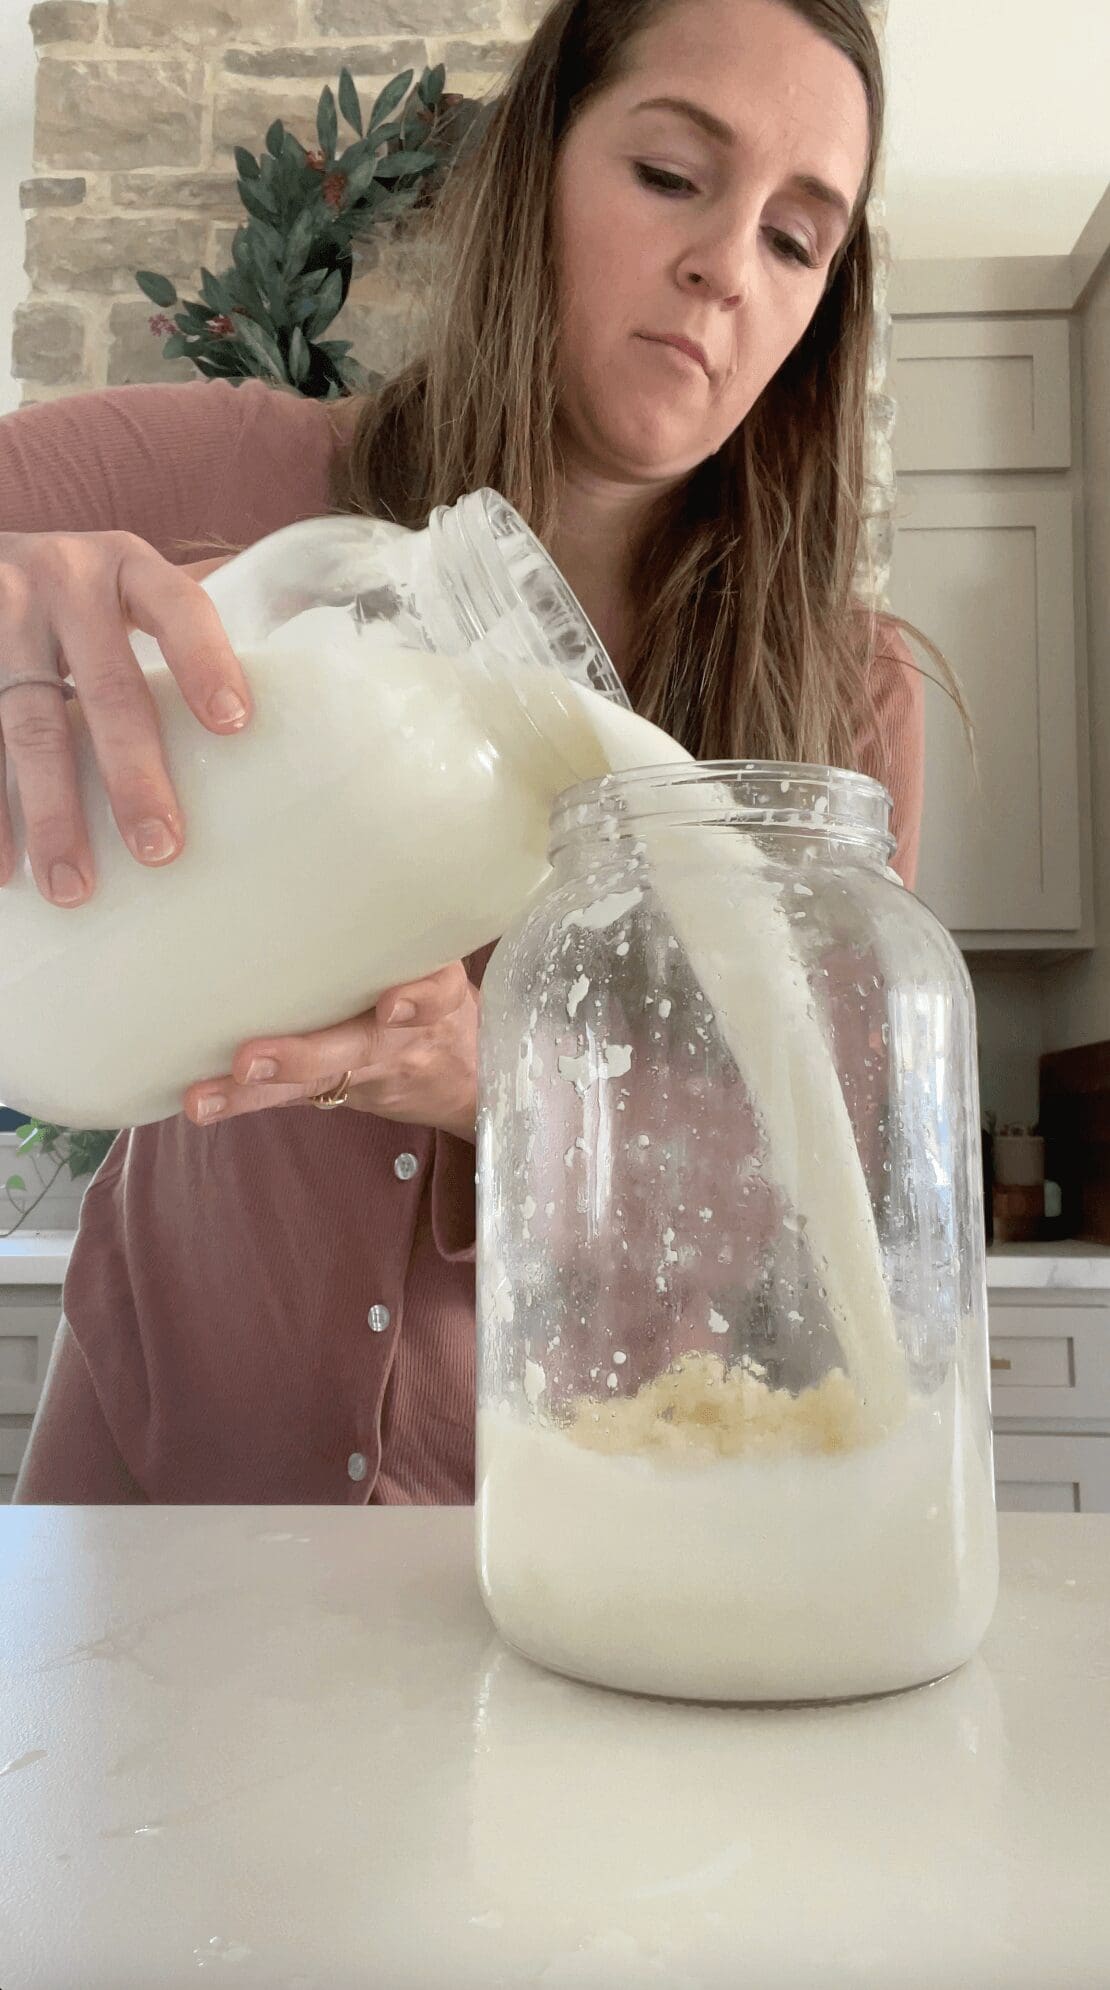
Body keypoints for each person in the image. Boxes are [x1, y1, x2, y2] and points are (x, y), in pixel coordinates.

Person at [7, 0, 928, 1504]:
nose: (721, 268)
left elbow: (816, 1218)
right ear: (535, 177)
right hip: (156, 1491)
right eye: (671, 176)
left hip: (566, 1530)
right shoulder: (243, 482)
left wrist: (511, 1082)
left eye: (794, 239)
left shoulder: (841, 694)